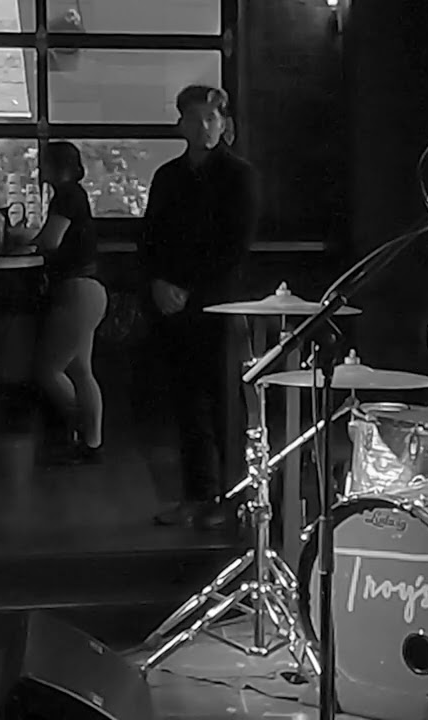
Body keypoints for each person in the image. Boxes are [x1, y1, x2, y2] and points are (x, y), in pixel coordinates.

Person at [138, 85, 259, 531]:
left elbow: (234, 245)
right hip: (172, 307)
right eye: (194, 118)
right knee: (186, 407)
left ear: (224, 124)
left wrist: (187, 287)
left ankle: (233, 498)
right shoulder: (168, 176)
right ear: (180, 124)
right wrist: (157, 283)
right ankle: (196, 495)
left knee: (225, 405)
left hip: (219, 304)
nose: (203, 127)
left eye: (211, 118)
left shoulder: (239, 175)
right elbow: (149, 238)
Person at [15, 141, 107, 463]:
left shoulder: (66, 196)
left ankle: (80, 428)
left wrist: (24, 240)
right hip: (92, 290)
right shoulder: (76, 194)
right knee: (81, 370)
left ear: (56, 167)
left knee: (47, 370)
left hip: (75, 291)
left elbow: (51, 241)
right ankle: (91, 443)